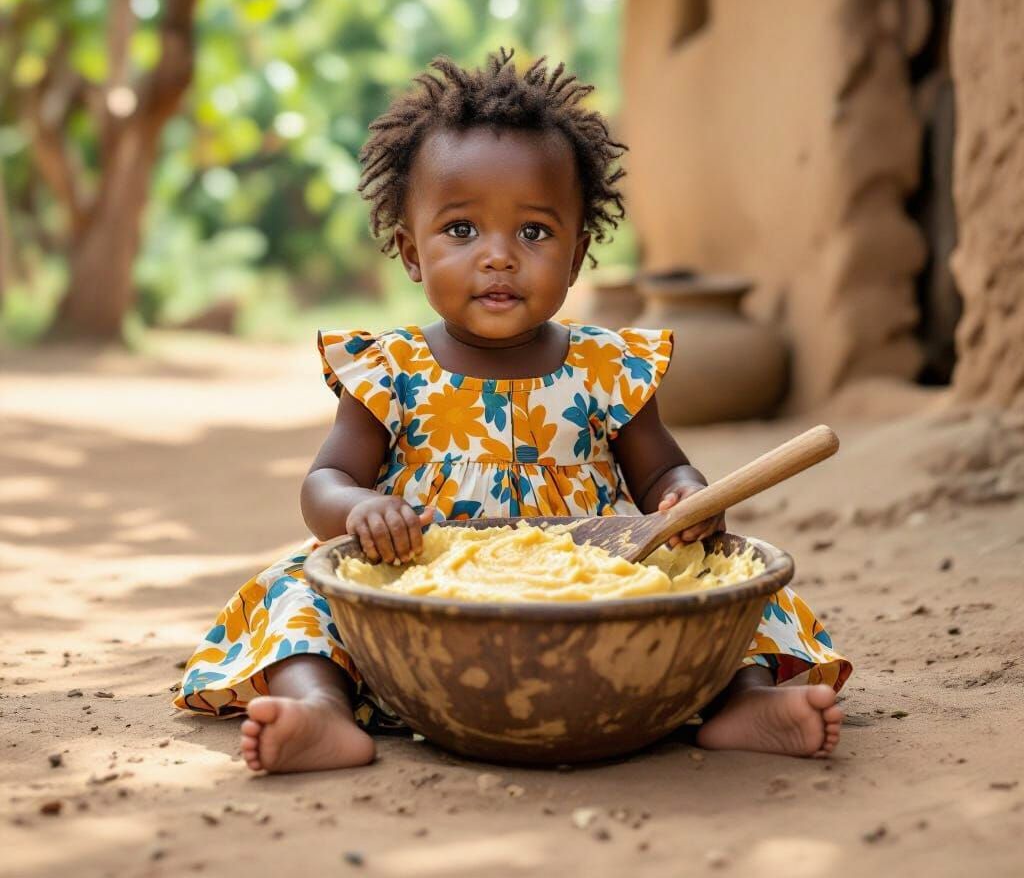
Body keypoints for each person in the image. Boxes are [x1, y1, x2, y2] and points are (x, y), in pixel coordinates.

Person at [174, 50, 851, 773]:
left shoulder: (607, 368)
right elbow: (324, 484)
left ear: (578, 251)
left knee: (729, 582)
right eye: (462, 231)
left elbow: (664, 473)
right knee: (299, 586)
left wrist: (684, 499)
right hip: (421, 612)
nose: (498, 257)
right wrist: (359, 511)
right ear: (410, 252)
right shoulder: (391, 370)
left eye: (533, 233)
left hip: (591, 601)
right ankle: (321, 710)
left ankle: (743, 701)